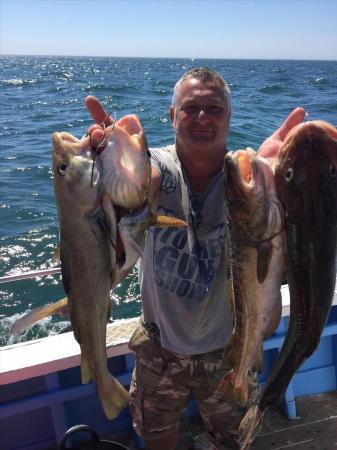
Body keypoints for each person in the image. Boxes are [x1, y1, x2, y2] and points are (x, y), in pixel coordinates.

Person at [86, 68, 305, 450]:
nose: (203, 117)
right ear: (172, 115)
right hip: (159, 349)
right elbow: (145, 181)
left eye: (214, 108)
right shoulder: (155, 166)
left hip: (230, 349)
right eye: (191, 108)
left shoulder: (251, 181)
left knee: (233, 442)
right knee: (158, 438)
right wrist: (120, 171)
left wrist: (296, 177)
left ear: (229, 117)